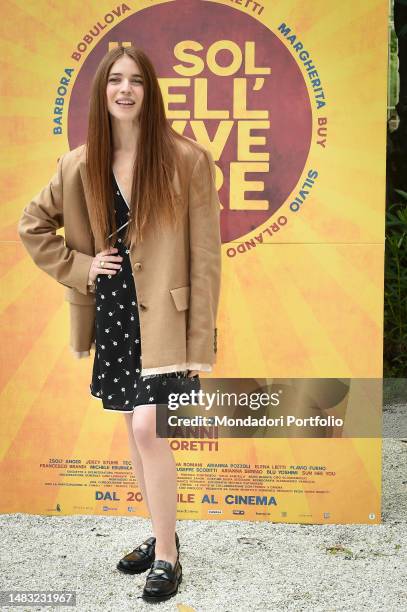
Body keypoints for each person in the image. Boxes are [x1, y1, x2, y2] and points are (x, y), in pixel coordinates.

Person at [17, 45, 221, 603]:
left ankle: (168, 557)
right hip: (113, 314)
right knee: (136, 428)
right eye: (115, 80)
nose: (125, 89)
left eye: (136, 80)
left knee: (145, 430)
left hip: (169, 322)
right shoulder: (79, 164)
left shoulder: (187, 160)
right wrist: (82, 267)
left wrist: (201, 338)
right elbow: (32, 224)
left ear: (150, 92)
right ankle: (162, 533)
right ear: (102, 92)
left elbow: (205, 256)